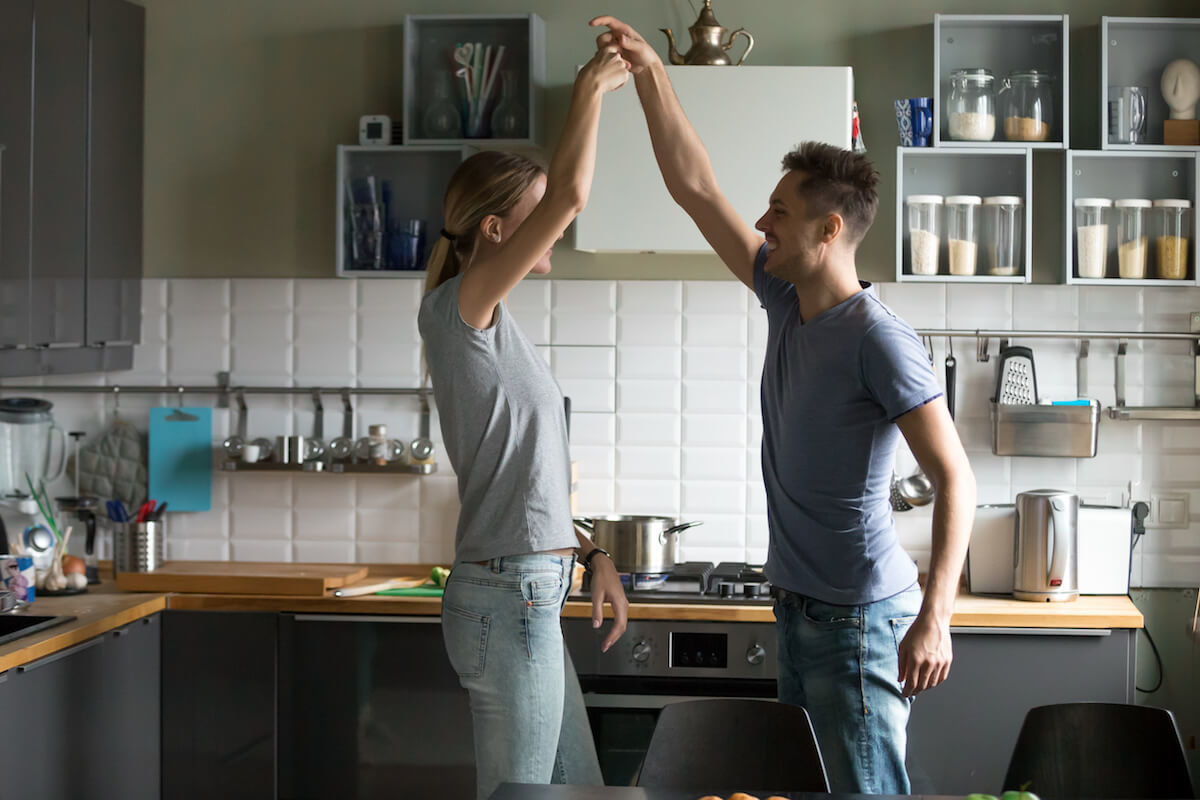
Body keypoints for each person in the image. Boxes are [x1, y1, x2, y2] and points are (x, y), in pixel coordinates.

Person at [590, 16, 976, 795]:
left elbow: (956, 478)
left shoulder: (880, 339)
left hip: (859, 620)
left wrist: (936, 618)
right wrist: (651, 73)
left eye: (779, 213)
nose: (762, 223)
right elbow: (696, 190)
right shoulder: (782, 294)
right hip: (799, 610)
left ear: (829, 231)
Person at [417, 44, 631, 800]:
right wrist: (590, 90)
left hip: (532, 586)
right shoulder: (462, 310)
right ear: (497, 231)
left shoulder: (493, 323)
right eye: (535, 213)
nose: (557, 224)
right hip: (510, 597)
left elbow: (526, 475)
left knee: (580, 792)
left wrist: (593, 551)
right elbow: (572, 193)